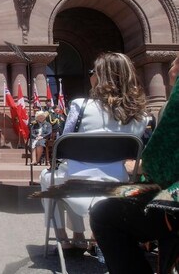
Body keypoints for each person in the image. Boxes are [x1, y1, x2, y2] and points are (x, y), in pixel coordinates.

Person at [39, 52, 148, 253]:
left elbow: (63, 144)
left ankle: (66, 238)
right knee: (65, 174)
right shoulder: (142, 116)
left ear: (101, 77)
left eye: (92, 72)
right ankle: (91, 239)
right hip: (119, 185)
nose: (90, 76)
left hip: (76, 183)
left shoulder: (80, 106)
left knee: (49, 177)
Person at [89, 52, 179, 274]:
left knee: (104, 213)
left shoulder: (81, 107)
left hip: (173, 204)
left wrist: (140, 167)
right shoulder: (142, 114)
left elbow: (159, 166)